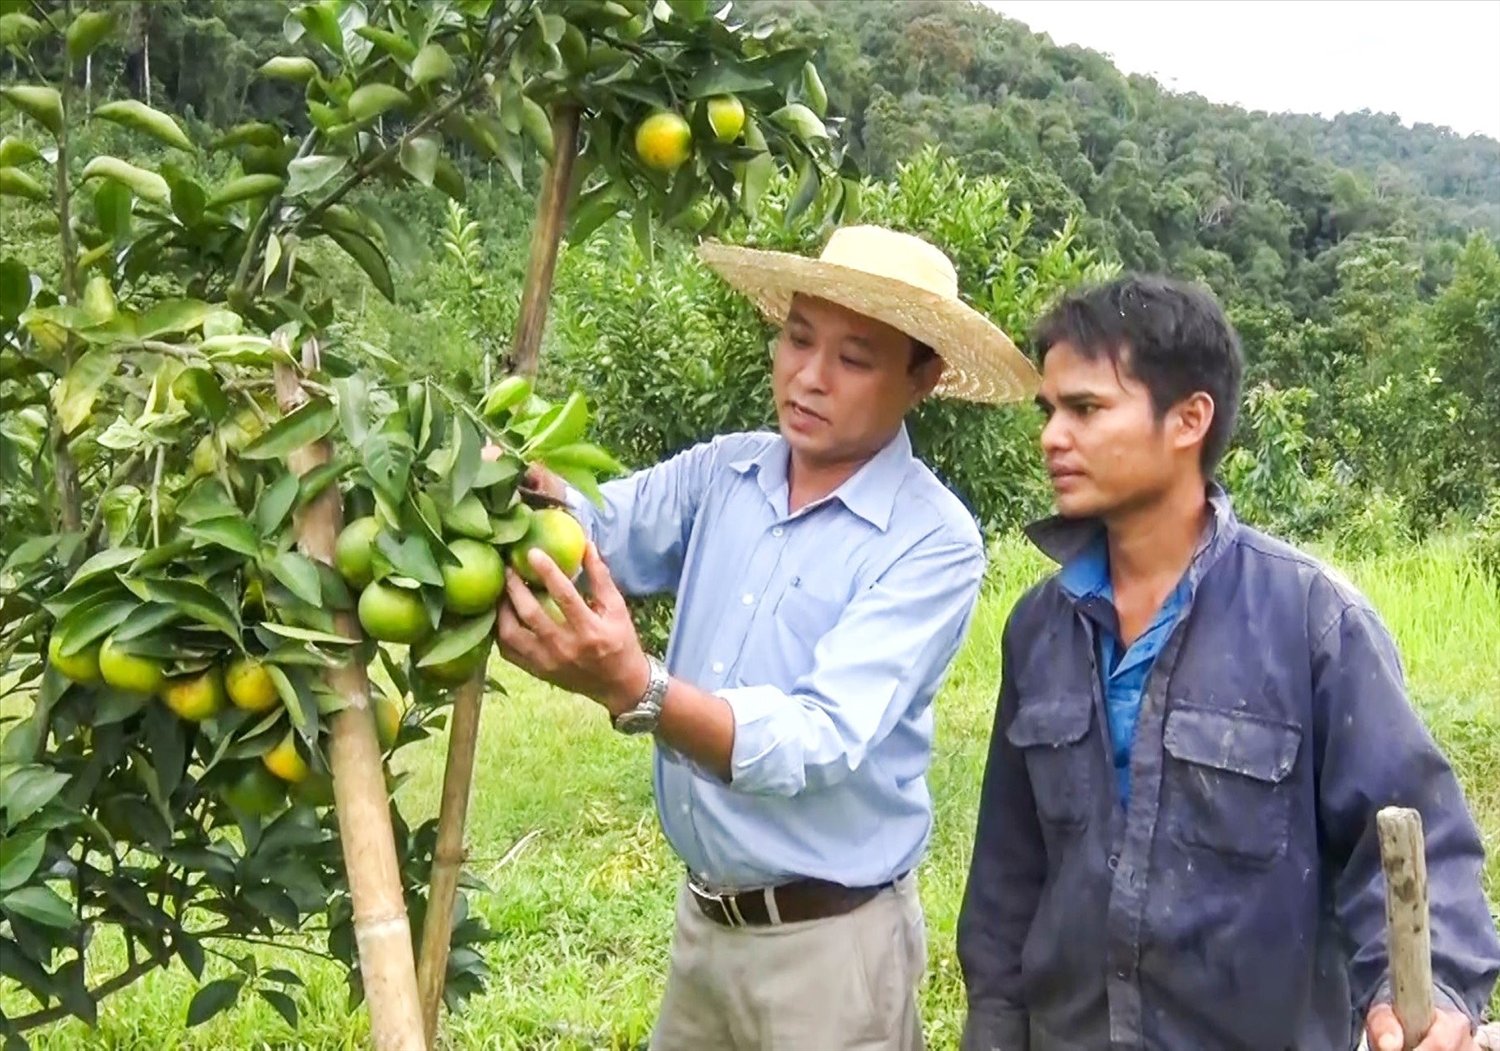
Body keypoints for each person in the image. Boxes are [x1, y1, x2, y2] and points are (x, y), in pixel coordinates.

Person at [493, 224, 1039, 1050]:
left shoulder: (931, 540)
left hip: (832, 953)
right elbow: (602, 524)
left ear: (921, 376)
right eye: (798, 338)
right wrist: (508, 483)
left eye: (855, 359)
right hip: (704, 927)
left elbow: (820, 736)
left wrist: (638, 687)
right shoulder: (728, 471)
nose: (809, 377)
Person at [956, 274, 1500, 1051]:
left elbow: (1417, 844)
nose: (1051, 436)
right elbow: (1006, 889)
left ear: (1189, 419)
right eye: (1049, 411)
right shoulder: (1038, 629)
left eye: (1085, 409)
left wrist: (1426, 992)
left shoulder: (1312, 621)